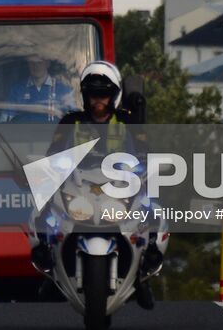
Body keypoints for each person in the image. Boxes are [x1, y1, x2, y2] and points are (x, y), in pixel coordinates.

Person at [36, 61, 154, 309]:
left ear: (114, 95)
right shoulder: (71, 121)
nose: (98, 100)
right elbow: (53, 152)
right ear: (85, 96)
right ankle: (50, 265)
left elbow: (145, 152)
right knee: (44, 210)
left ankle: (145, 271)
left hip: (119, 184)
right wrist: (50, 166)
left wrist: (144, 167)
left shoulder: (128, 122)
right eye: (93, 94)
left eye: (104, 94)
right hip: (79, 183)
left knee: (152, 206)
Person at [0, 55, 75, 124]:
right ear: (28, 64)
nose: (36, 66)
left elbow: (75, 119)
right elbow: (4, 121)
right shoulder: (17, 89)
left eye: (39, 62)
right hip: (23, 136)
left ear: (47, 63)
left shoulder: (64, 88)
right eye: (32, 62)